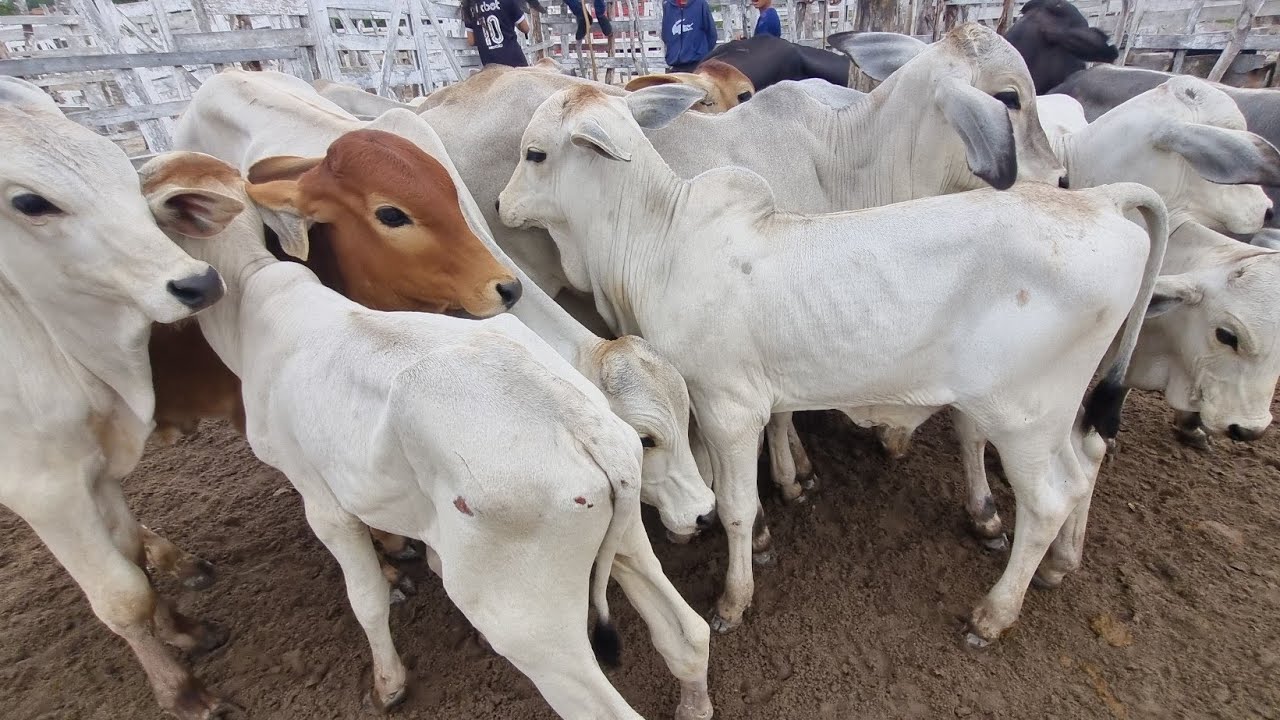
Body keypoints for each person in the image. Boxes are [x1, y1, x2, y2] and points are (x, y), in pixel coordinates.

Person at [462, 0, 532, 68]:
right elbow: (525, 28)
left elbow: (471, 41)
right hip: (514, 60)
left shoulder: (469, 6)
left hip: (490, 64)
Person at [661, 0, 717, 73]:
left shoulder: (701, 5)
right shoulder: (668, 6)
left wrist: (700, 52)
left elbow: (711, 34)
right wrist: (672, 52)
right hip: (675, 64)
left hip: (697, 64)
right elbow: (666, 34)